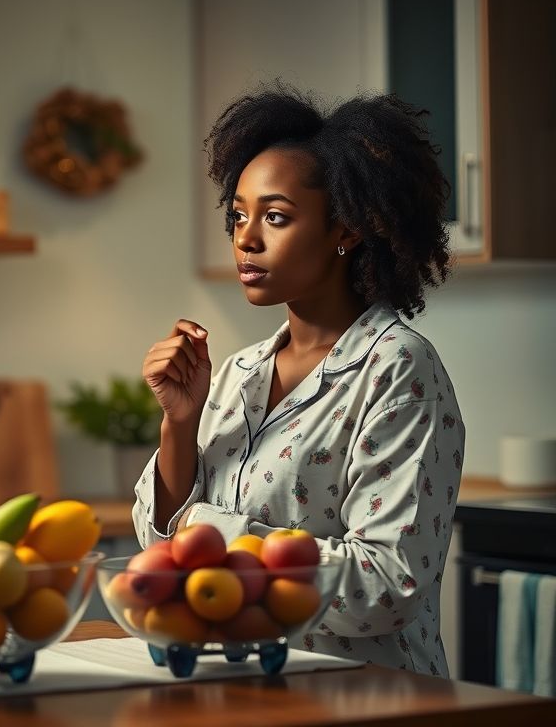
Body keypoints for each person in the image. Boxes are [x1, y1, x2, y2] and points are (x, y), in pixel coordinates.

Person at [133, 81, 465, 677]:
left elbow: (386, 586)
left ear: (348, 230)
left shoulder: (398, 370)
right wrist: (178, 424)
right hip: (237, 687)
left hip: (367, 700)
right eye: (238, 215)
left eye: (276, 217)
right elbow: (159, 549)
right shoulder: (236, 373)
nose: (246, 238)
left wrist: (205, 528)